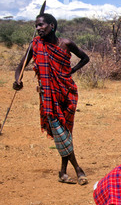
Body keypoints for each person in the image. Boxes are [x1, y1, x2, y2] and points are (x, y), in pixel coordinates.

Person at [13, 13, 90, 185]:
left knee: (66, 131)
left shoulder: (66, 43)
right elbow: (20, 67)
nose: (38, 28)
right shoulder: (35, 46)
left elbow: (85, 58)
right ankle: (78, 169)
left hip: (68, 93)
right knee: (59, 131)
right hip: (48, 96)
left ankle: (63, 172)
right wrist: (17, 81)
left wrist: (72, 70)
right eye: (36, 26)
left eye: (41, 25)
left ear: (52, 26)